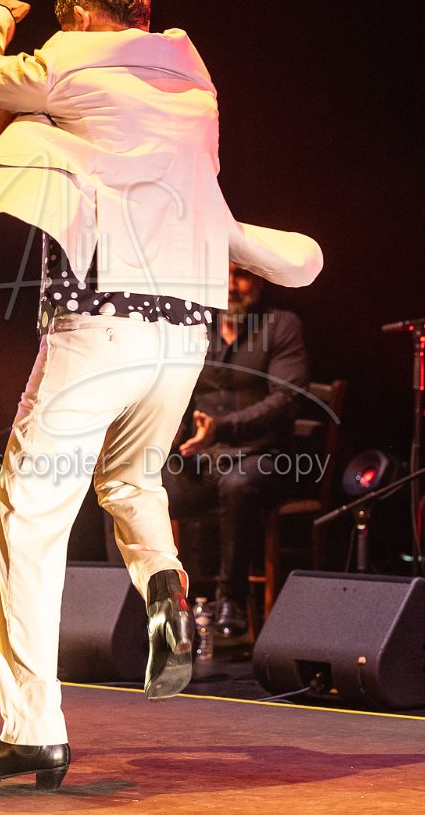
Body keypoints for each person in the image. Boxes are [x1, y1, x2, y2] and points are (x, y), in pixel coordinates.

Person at [0, 0, 321, 789]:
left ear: (81, 16)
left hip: (99, 323)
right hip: (185, 333)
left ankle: (34, 730)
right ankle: (163, 581)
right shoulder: (196, 86)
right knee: (133, 480)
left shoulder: (72, 58)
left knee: (28, 521)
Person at [163, 263, 309, 637]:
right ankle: (156, 603)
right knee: (138, 483)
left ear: (259, 278)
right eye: (224, 275)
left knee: (238, 484)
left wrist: (221, 428)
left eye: (241, 275)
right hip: (203, 460)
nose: (231, 286)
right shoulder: (196, 326)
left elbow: (286, 399)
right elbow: (175, 389)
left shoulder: (280, 325)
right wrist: (172, 429)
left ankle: (232, 599)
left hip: (265, 457)